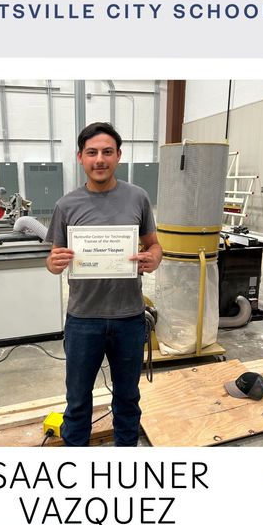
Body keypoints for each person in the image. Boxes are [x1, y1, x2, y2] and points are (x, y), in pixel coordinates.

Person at [45, 122, 162, 446]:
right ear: (80, 157)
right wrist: (53, 264)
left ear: (118, 156)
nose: (100, 159)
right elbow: (54, 258)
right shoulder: (66, 205)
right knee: (78, 401)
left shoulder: (137, 197)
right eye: (92, 152)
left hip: (128, 317)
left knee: (127, 399)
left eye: (107, 152)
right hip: (84, 319)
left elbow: (154, 244)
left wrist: (154, 258)